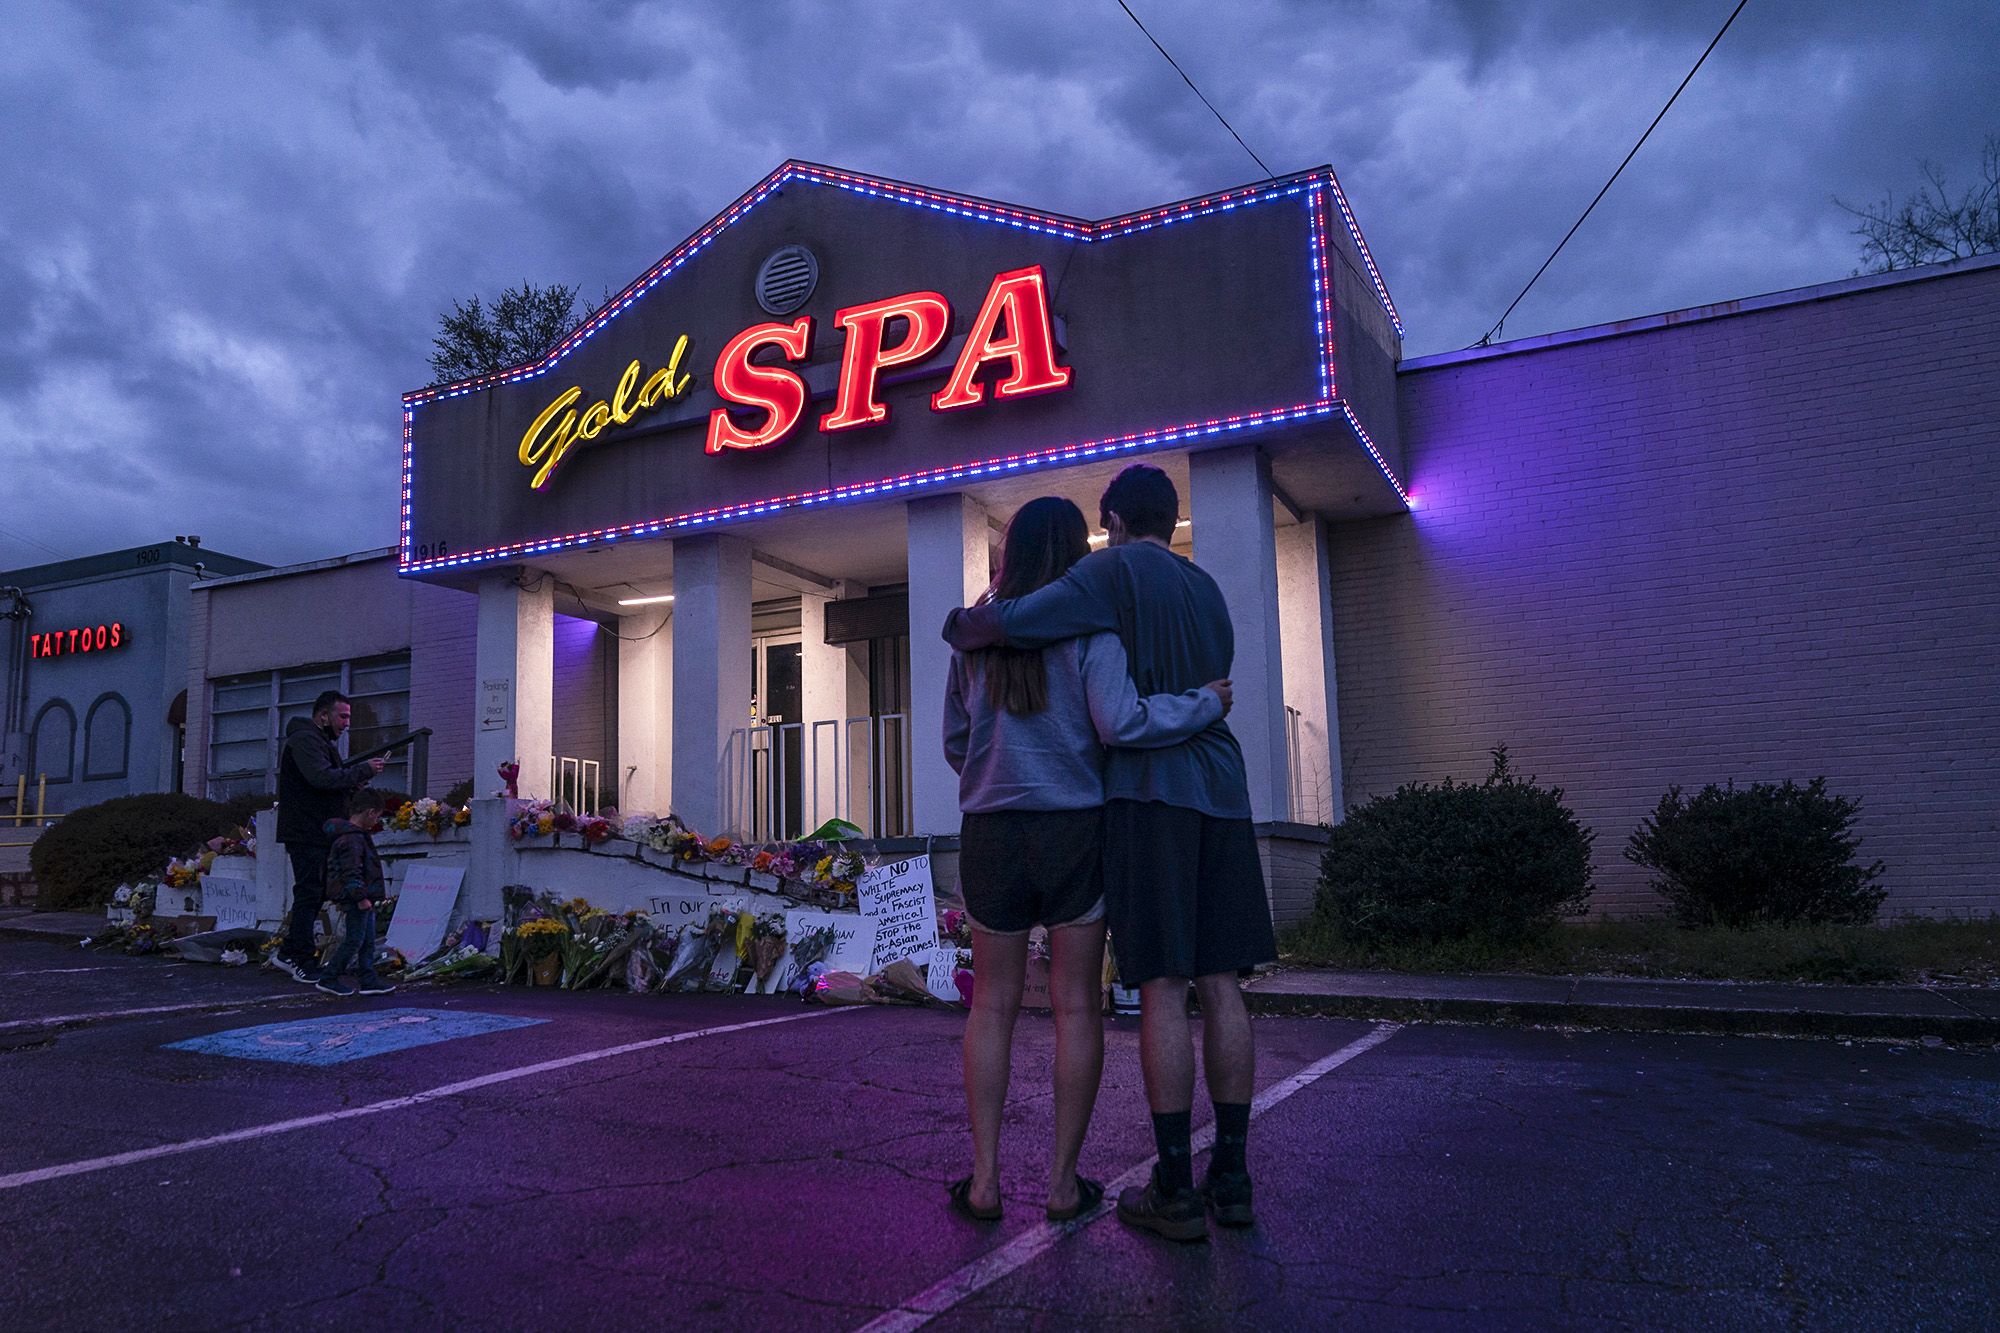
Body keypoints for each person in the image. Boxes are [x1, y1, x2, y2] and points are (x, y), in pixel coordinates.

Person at [943, 463, 1278, 1243]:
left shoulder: (987, 636)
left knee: (991, 1003)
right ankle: (1068, 1183)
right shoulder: (1124, 621)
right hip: (1091, 823)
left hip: (992, 827)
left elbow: (956, 741)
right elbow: (1116, 721)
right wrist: (1206, 704)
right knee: (1080, 1006)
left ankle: (987, 1179)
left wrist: (996, 770)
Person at [271, 690, 384, 982]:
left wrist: (355, 780)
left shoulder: (314, 741)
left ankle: (290, 952)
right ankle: (299, 959)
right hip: (307, 830)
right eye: (342, 716)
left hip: (314, 829)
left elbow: (326, 780)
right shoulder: (306, 740)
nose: (347, 723)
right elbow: (320, 778)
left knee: (313, 891)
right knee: (309, 892)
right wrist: (361, 771)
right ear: (323, 716)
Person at [313, 787, 395, 997]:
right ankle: (330, 977)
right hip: (358, 897)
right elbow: (352, 871)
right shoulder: (352, 839)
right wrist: (360, 897)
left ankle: (368, 979)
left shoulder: (350, 836)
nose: (376, 821)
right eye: (376, 816)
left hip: (360, 896)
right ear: (369, 812)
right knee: (355, 940)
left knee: (366, 939)